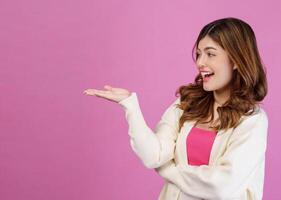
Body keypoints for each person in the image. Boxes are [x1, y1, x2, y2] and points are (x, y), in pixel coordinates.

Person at [83, 17, 269, 200]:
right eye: (198, 54)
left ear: (236, 60)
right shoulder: (188, 103)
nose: (199, 63)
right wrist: (130, 105)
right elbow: (153, 156)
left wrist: (168, 170)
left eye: (210, 54)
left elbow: (221, 187)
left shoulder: (253, 120)